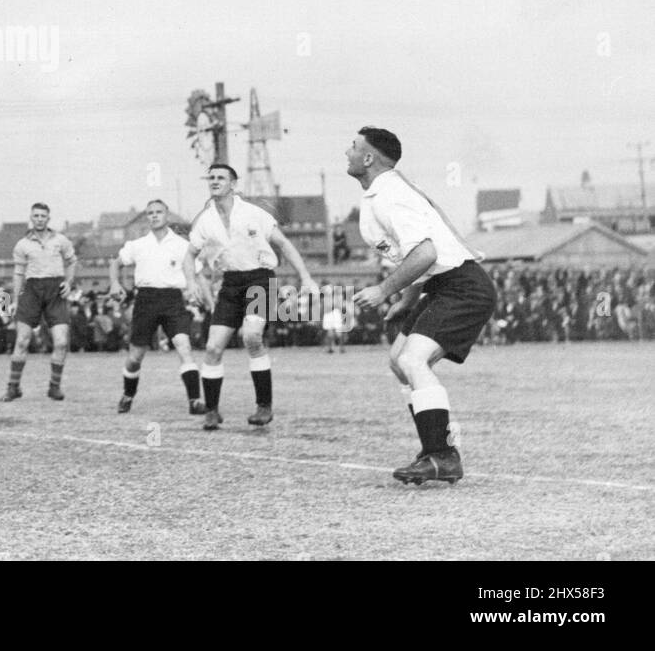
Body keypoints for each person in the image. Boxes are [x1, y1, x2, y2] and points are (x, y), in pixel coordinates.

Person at [347, 127, 497, 486]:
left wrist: (384, 290)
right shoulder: (380, 194)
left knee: (413, 361)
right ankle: (441, 441)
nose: (347, 152)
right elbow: (419, 257)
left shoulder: (389, 195)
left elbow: (426, 253)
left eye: (353, 147)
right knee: (400, 361)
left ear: (369, 158)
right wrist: (406, 300)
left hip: (463, 286)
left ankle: (442, 456)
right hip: (442, 285)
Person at [182, 163, 317, 431]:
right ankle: (211, 411)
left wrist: (306, 277)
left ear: (233, 184)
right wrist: (190, 282)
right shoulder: (205, 220)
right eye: (211, 177)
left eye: (221, 177)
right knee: (212, 347)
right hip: (231, 283)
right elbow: (189, 256)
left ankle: (264, 406)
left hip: (260, 279)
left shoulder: (254, 213)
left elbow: (284, 245)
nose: (215, 181)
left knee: (252, 336)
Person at [109, 200, 207, 415]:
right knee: (135, 357)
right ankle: (128, 395)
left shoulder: (182, 245)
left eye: (158, 212)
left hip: (173, 300)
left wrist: (209, 299)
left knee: (184, 347)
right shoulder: (138, 245)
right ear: (147, 217)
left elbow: (198, 274)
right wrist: (115, 283)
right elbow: (116, 263)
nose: (154, 216)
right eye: (150, 213)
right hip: (146, 300)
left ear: (167, 215)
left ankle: (195, 401)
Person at [1, 203, 76, 402]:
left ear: (48, 219)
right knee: (22, 340)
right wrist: (15, 300)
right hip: (31, 291)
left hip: (55, 291)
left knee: (61, 342)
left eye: (43, 216)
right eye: (36, 215)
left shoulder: (61, 240)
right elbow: (18, 274)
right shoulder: (22, 244)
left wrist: (69, 283)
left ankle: (54, 387)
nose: (40, 219)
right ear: (31, 218)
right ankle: (13, 387)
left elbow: (72, 261)